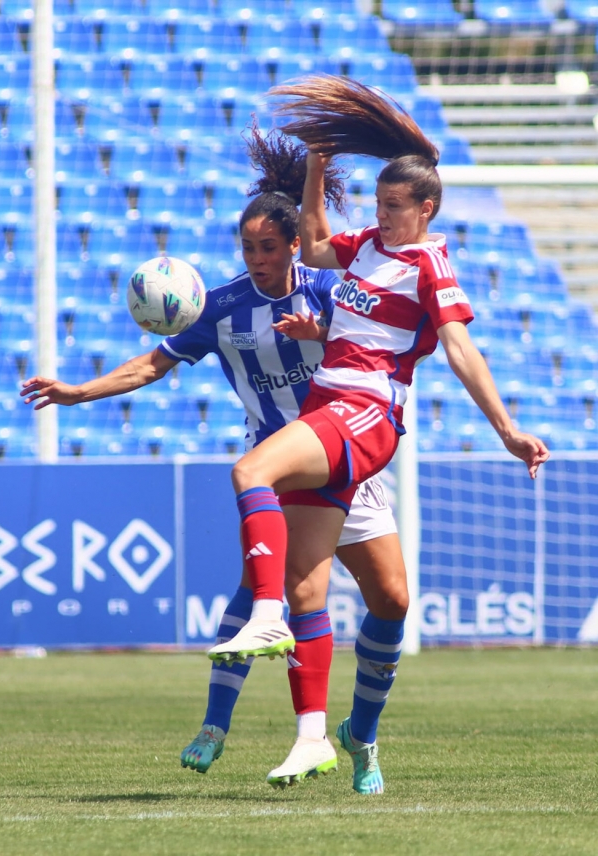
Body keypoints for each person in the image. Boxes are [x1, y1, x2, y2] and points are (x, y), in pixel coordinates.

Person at [21, 124, 411, 795]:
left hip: (348, 460)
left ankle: (361, 733)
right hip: (283, 471)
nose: (257, 259)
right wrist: (80, 390)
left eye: (268, 247)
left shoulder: (327, 291)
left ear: (294, 243)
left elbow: (374, 350)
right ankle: (238, 727)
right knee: (291, 594)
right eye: (247, 248)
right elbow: (150, 365)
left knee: (393, 601)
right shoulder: (221, 306)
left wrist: (322, 333)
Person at [206, 75, 551, 780]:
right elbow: (320, 240)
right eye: (379, 204)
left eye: (396, 207)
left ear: (426, 209)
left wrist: (505, 429)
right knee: (348, 592)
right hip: (328, 410)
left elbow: (458, 348)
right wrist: (315, 174)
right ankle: (331, 736)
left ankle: (263, 614)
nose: (385, 216)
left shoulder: (429, 262)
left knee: (250, 472)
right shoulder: (365, 249)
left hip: (364, 415)